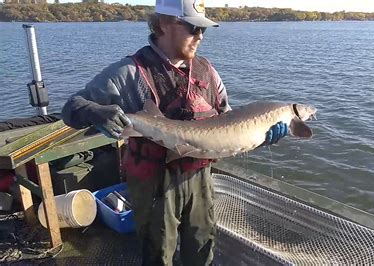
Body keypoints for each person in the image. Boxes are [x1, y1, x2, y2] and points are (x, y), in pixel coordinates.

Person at [61, 0, 288, 264]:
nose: (200, 36)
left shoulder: (208, 71)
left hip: (199, 178)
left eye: (204, 30)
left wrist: (261, 136)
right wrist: (94, 112)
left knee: (202, 246)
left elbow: (229, 126)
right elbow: (71, 107)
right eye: (193, 28)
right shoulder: (131, 72)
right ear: (164, 24)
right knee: (158, 252)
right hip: (154, 182)